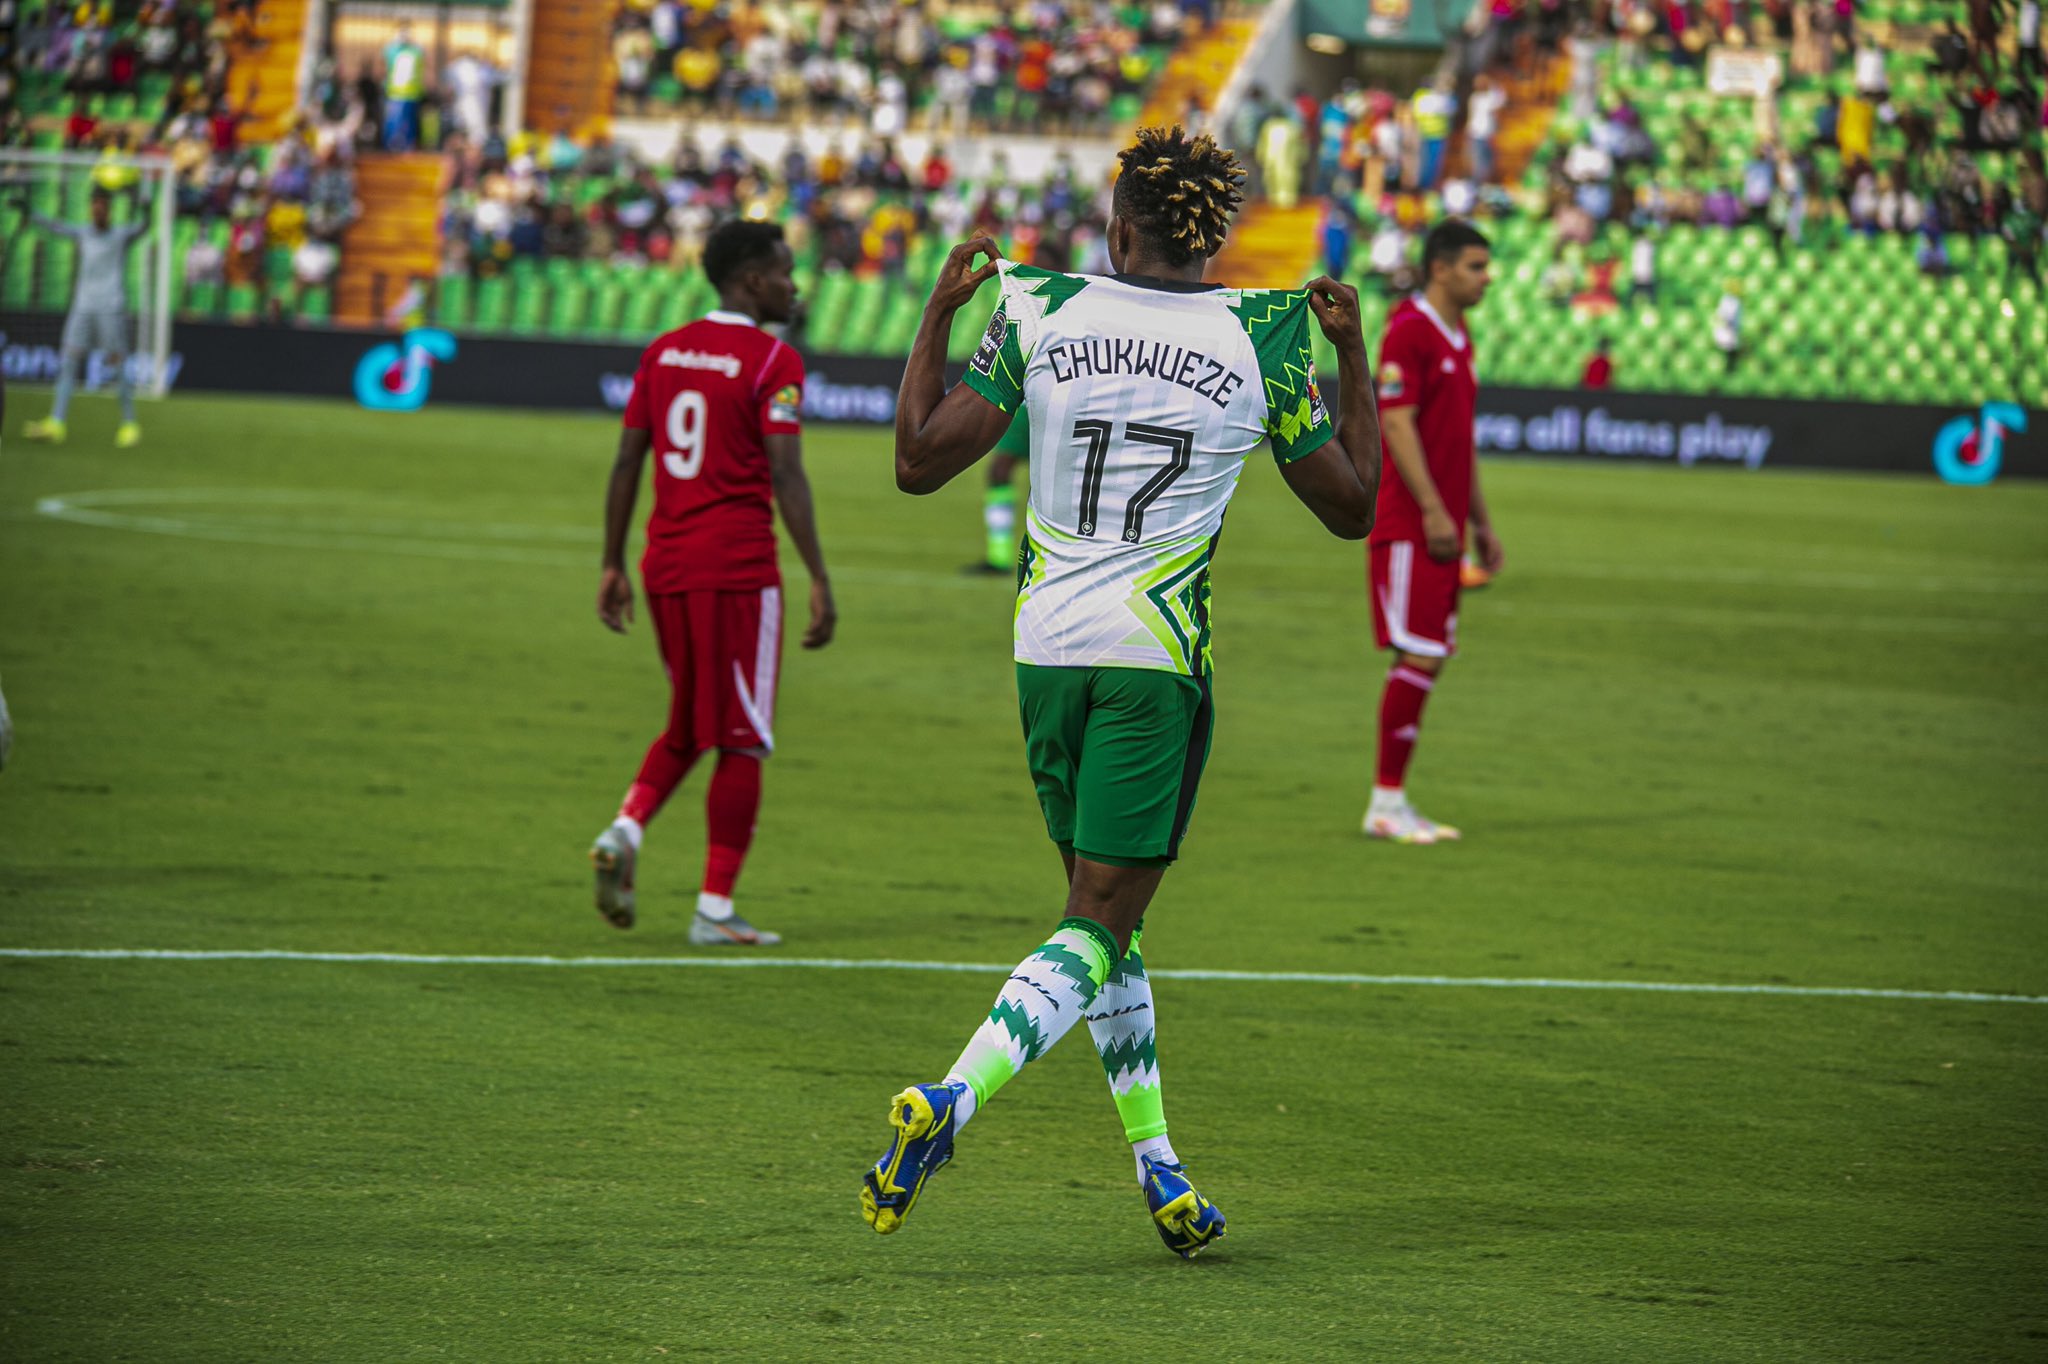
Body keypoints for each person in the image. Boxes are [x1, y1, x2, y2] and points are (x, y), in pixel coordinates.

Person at [864, 126, 1381, 1255]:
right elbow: (1352, 508)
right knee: (1098, 917)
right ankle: (949, 1098)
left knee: (1100, 918)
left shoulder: (1037, 311)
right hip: (1151, 660)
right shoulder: (1261, 337)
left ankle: (1159, 1168)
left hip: (1045, 651)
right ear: (1214, 239)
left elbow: (914, 459)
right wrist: (1354, 359)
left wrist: (934, 317)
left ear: (1115, 228)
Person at [588, 219, 837, 945]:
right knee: (744, 736)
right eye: (787, 273)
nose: (795, 286)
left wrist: (610, 561)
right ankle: (715, 910)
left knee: (693, 721)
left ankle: (626, 827)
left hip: (663, 564)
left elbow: (628, 461)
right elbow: (786, 472)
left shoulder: (663, 353)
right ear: (753, 279)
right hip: (736, 569)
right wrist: (819, 575)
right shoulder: (771, 362)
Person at [1364, 219, 1498, 845]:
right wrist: (1436, 512)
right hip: (1410, 523)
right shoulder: (1409, 330)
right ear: (1440, 268)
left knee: (1427, 655)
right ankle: (1386, 803)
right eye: (1475, 265)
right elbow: (1396, 423)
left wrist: (1480, 521)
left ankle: (1393, 800)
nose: (1485, 277)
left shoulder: (1459, 333)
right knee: (1418, 652)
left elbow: (1457, 439)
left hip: (1442, 525)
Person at [22, 186, 147, 448]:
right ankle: (56, 422)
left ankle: (129, 423)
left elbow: (144, 227)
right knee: (68, 361)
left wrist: (145, 206)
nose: (98, 208)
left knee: (117, 365)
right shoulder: (82, 232)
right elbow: (54, 227)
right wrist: (29, 211)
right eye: (94, 204)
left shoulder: (120, 235)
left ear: (109, 209)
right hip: (82, 307)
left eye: (102, 204)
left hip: (110, 308)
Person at [965, 408, 1029, 574]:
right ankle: (999, 556)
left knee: (1000, 471)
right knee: (999, 471)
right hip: (1033, 403)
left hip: (1045, 401)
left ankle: (1000, 556)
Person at [382, 21, 425, 151]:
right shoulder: (392, 50)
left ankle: (408, 145)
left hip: (412, 94)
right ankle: (391, 145)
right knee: (393, 121)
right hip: (394, 94)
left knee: (410, 122)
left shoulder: (416, 51)